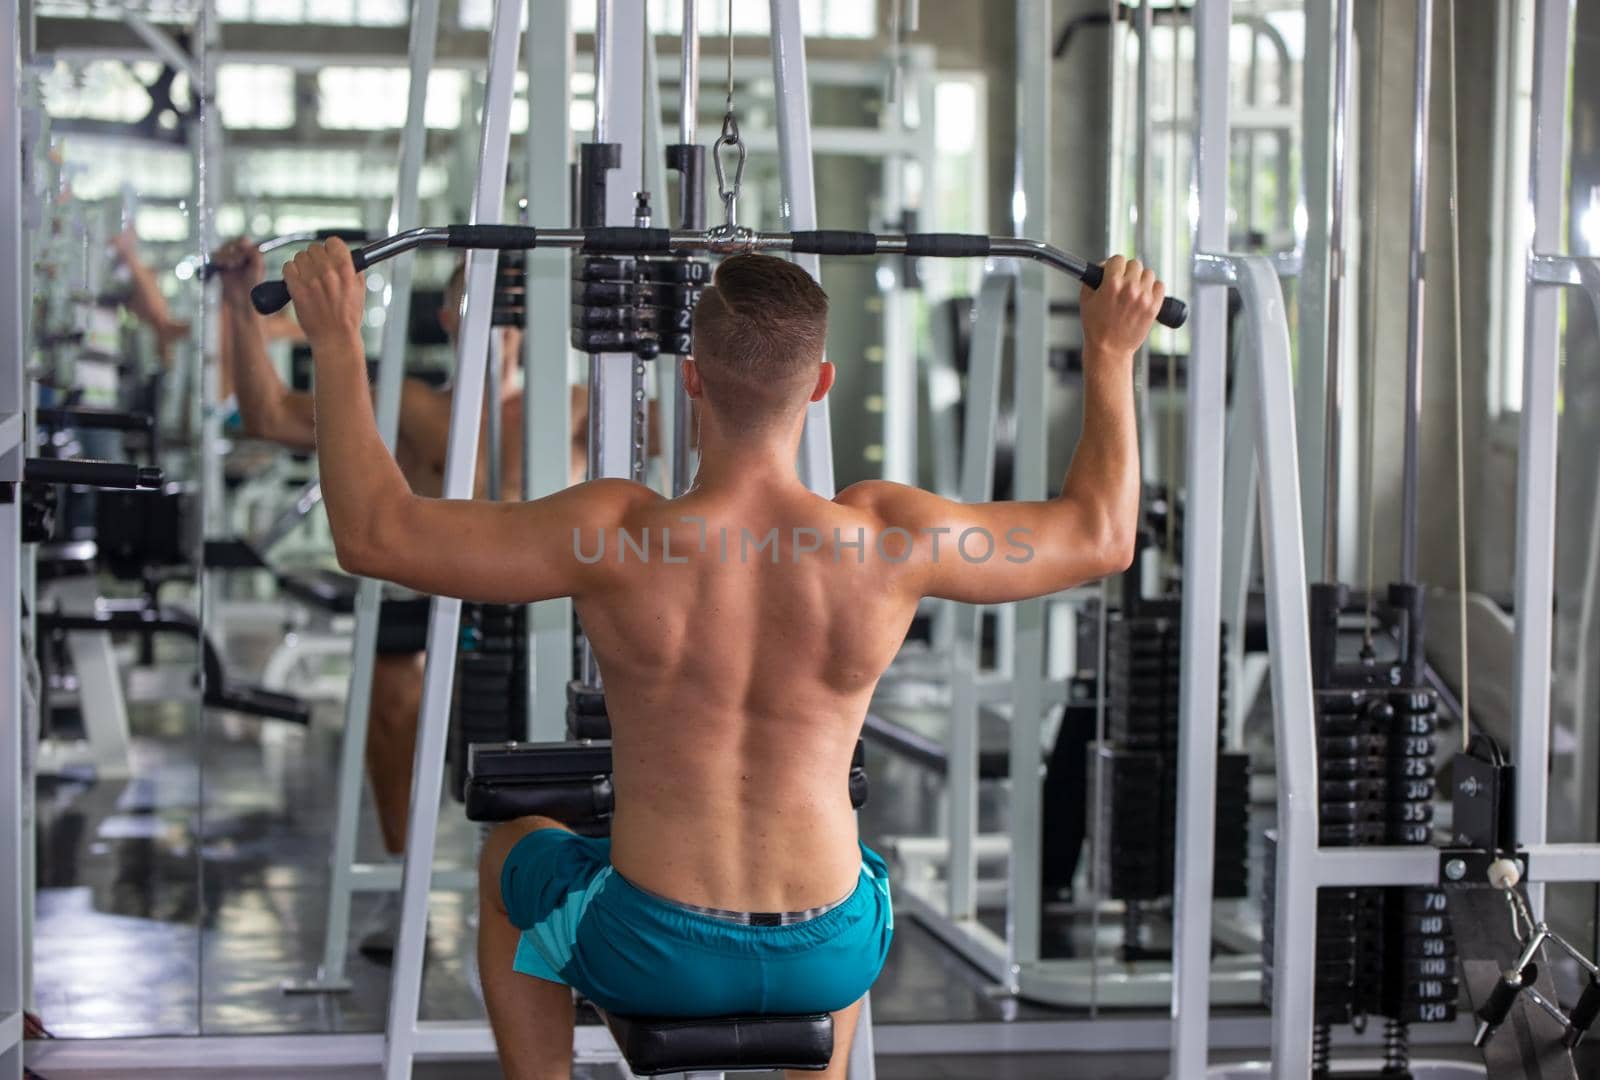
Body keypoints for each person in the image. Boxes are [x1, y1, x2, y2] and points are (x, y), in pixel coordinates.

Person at [282, 236, 1163, 1080]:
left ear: (692, 380)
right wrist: (1111, 349)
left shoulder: (614, 536)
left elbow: (374, 534)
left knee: (512, 849)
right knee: (857, 876)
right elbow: (1100, 534)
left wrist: (334, 337)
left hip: (657, 948)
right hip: (833, 953)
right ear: (819, 385)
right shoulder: (892, 540)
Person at [214, 238, 585, 959]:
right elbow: (265, 415)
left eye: (513, 308)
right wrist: (238, 303)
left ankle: (570, 893)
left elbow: (709, 420)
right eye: (478, 304)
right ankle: (398, 880)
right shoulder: (410, 406)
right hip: (431, 590)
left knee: (587, 711)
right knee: (392, 697)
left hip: (542, 604)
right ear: (448, 317)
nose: (498, 322)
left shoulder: (575, 408)